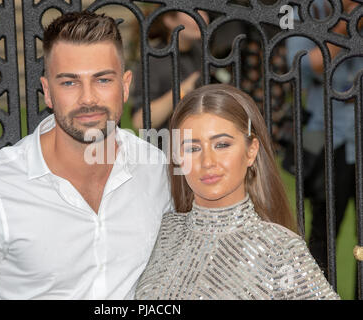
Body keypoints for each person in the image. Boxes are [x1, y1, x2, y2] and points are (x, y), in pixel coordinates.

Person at [0, 11, 172, 299]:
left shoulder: (156, 170)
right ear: (47, 91)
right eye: (69, 82)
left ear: (125, 85)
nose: (88, 98)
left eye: (103, 80)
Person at [135, 84, 339, 299]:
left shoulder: (280, 248)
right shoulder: (165, 232)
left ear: (251, 151)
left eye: (222, 145)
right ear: (178, 157)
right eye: (193, 148)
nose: (208, 162)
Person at [284, 0, 363, 289]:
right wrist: (346, 25)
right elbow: (305, 65)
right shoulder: (307, 10)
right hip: (329, 135)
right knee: (323, 234)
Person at [130, 9, 209, 131]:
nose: (202, 17)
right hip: (169, 145)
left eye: (203, 11)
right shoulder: (153, 60)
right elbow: (139, 121)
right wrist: (183, 91)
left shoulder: (201, 51)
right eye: (193, 12)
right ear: (169, 20)